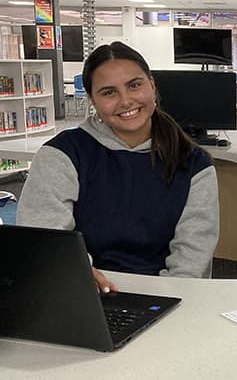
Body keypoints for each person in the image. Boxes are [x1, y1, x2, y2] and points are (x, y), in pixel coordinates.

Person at [17, 41, 219, 291]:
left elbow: (191, 258)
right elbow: (47, 242)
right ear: (91, 99)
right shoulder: (61, 155)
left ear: (152, 85)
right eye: (109, 92)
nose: (126, 101)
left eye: (134, 85)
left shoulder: (193, 163)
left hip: (169, 294)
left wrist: (165, 299)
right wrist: (78, 278)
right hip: (82, 291)